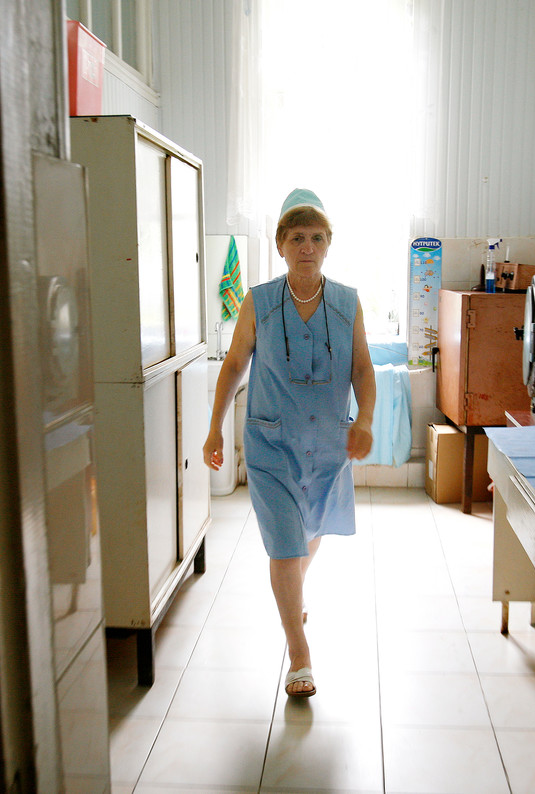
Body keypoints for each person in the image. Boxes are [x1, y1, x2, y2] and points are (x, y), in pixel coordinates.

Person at [203, 188, 376, 698]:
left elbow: (363, 368)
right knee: (284, 543)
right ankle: (299, 653)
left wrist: (365, 418)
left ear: (328, 244)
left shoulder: (348, 302)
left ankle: (291, 591)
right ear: (280, 244)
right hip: (270, 445)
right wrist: (214, 426)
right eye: (297, 237)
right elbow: (235, 365)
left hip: (328, 445)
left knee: (311, 530)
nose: (307, 246)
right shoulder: (258, 301)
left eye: (317, 237)